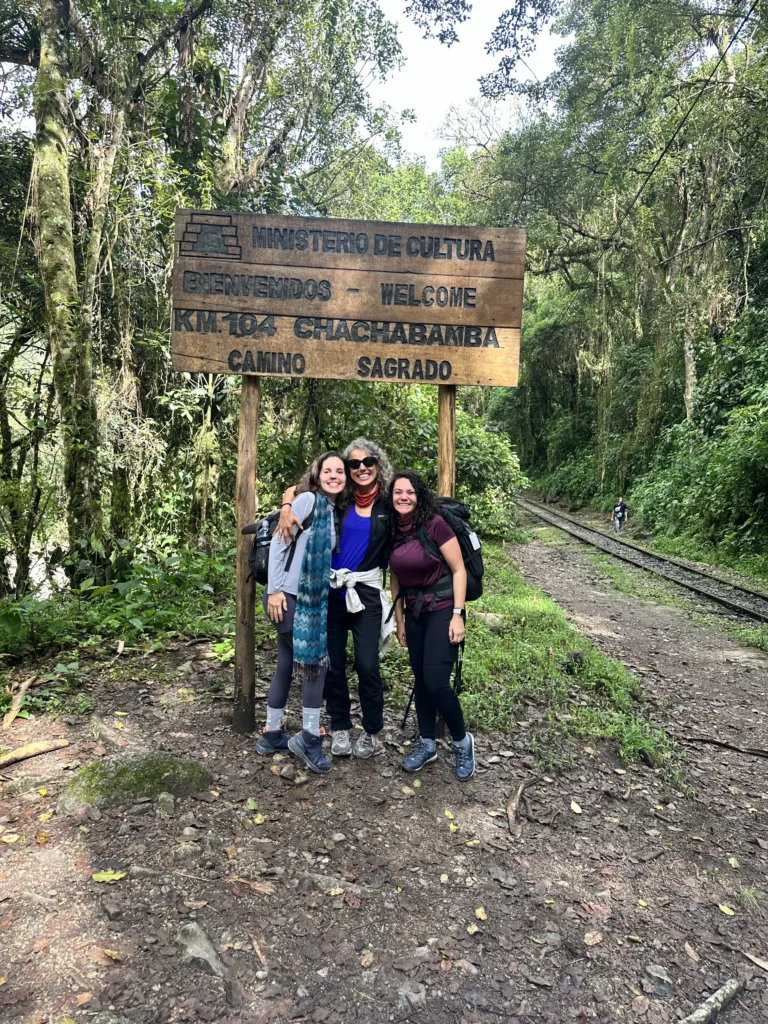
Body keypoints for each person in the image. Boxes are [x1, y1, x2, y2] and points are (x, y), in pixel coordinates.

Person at [277, 439, 394, 759]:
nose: (361, 468)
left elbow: (415, 515)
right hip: (331, 593)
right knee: (334, 665)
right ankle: (340, 727)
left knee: (368, 665)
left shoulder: (388, 505)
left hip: (366, 594)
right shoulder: (339, 501)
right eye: (354, 464)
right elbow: (298, 490)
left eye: (367, 462)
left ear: (377, 463)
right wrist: (287, 506)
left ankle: (371, 731)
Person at [256, 451, 350, 774]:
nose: (335, 475)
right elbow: (281, 545)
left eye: (340, 471)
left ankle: (271, 734)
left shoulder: (330, 510)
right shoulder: (307, 501)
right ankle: (309, 739)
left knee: (286, 661)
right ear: (318, 473)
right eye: (329, 470)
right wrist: (276, 589)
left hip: (306, 599)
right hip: (288, 597)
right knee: (314, 665)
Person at [388, 471, 475, 781]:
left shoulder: (435, 524)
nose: (403, 497)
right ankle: (427, 743)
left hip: (442, 609)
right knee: (421, 681)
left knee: (437, 681)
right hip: (413, 613)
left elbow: (459, 570)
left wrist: (457, 614)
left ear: (419, 495)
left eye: (409, 492)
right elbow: (395, 577)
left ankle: (462, 742)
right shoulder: (394, 530)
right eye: (398, 492)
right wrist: (398, 622)